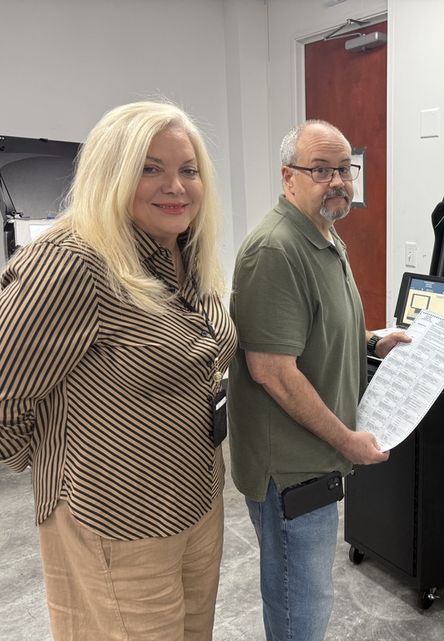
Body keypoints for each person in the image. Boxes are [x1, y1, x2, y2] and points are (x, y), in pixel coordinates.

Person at [0, 101, 237, 641]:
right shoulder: (75, 260)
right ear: (112, 173)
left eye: (188, 170)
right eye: (149, 168)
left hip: (197, 498)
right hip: (117, 515)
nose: (175, 186)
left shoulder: (185, 246)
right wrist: (56, 460)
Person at [229, 120, 409, 641]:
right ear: (289, 178)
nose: (338, 181)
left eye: (344, 170)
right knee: (299, 605)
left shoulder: (326, 236)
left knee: (308, 594)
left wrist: (373, 340)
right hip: (289, 466)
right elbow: (272, 370)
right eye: (321, 170)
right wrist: (348, 441)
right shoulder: (276, 250)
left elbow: (312, 333)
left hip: (315, 456)